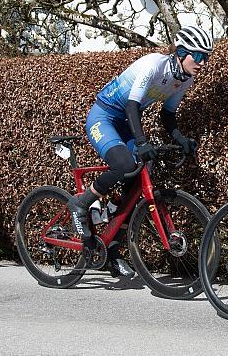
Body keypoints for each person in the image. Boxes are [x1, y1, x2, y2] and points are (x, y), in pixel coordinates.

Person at [68, 26, 213, 278]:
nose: (202, 63)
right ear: (180, 52)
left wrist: (181, 138)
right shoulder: (154, 65)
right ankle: (81, 203)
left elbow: (167, 114)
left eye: (206, 58)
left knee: (140, 177)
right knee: (125, 165)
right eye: (198, 56)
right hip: (104, 117)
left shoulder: (185, 79)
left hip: (125, 122)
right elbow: (132, 105)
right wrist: (142, 142)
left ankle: (112, 247)